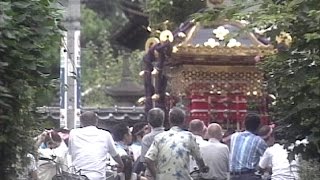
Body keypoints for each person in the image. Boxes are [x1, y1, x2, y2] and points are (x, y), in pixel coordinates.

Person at [145, 107, 208, 180]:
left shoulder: (159, 137)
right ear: (184, 121)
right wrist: (203, 167)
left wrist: (157, 176)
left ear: (169, 121)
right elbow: (198, 158)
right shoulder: (189, 137)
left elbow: (148, 159)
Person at [68, 111, 124, 180]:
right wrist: (121, 165)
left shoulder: (73, 133)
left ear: (81, 122)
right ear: (96, 121)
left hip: (78, 175)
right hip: (98, 177)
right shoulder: (105, 134)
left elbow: (71, 153)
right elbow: (115, 155)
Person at [229, 113, 268, 180]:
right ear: (258, 126)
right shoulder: (258, 141)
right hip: (249, 175)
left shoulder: (234, 137)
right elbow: (268, 156)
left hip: (233, 176)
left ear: (244, 124)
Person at [140, 108, 165, 178]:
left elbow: (144, 160)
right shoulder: (169, 136)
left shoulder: (146, 138)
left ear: (149, 122)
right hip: (167, 172)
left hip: (151, 174)